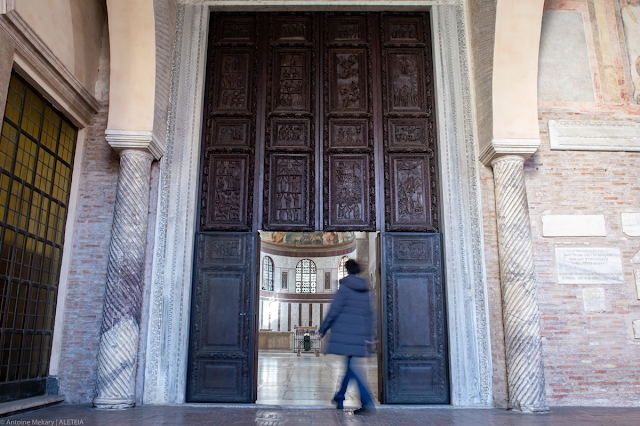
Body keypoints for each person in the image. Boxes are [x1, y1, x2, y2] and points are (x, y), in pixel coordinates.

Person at [318, 259, 375, 415]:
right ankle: (340, 396)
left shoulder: (344, 288)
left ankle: (367, 402)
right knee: (350, 365)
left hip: (345, 335)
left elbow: (334, 310)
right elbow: (369, 314)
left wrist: (323, 329)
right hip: (358, 336)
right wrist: (368, 335)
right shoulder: (365, 289)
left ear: (347, 270)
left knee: (353, 369)